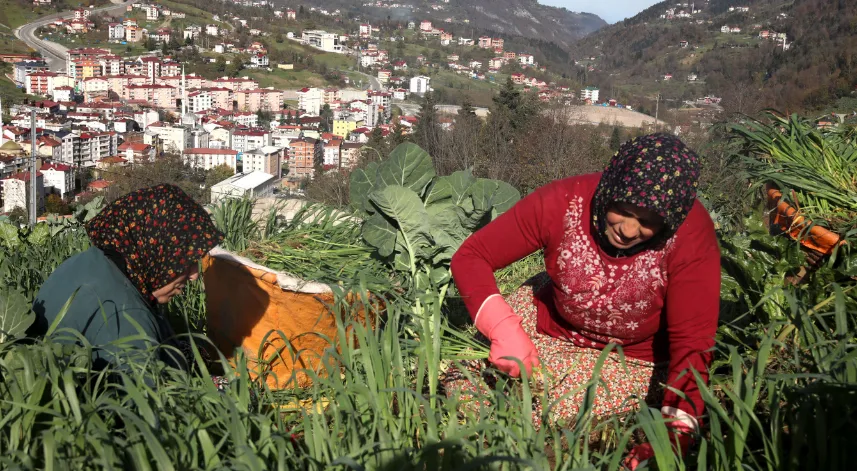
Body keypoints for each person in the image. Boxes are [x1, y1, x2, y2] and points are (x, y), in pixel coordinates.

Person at [447, 134, 720, 468]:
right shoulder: (564, 201)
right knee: (462, 385)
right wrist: (503, 328)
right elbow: (472, 256)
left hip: (628, 357)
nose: (630, 230)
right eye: (622, 210)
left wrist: (673, 435)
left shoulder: (691, 236)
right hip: (549, 320)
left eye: (649, 222)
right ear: (610, 186)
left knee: (546, 417)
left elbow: (693, 341)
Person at [30, 184, 224, 371]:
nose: (194, 275)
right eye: (186, 261)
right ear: (156, 251)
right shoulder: (129, 321)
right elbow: (146, 401)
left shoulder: (91, 261)